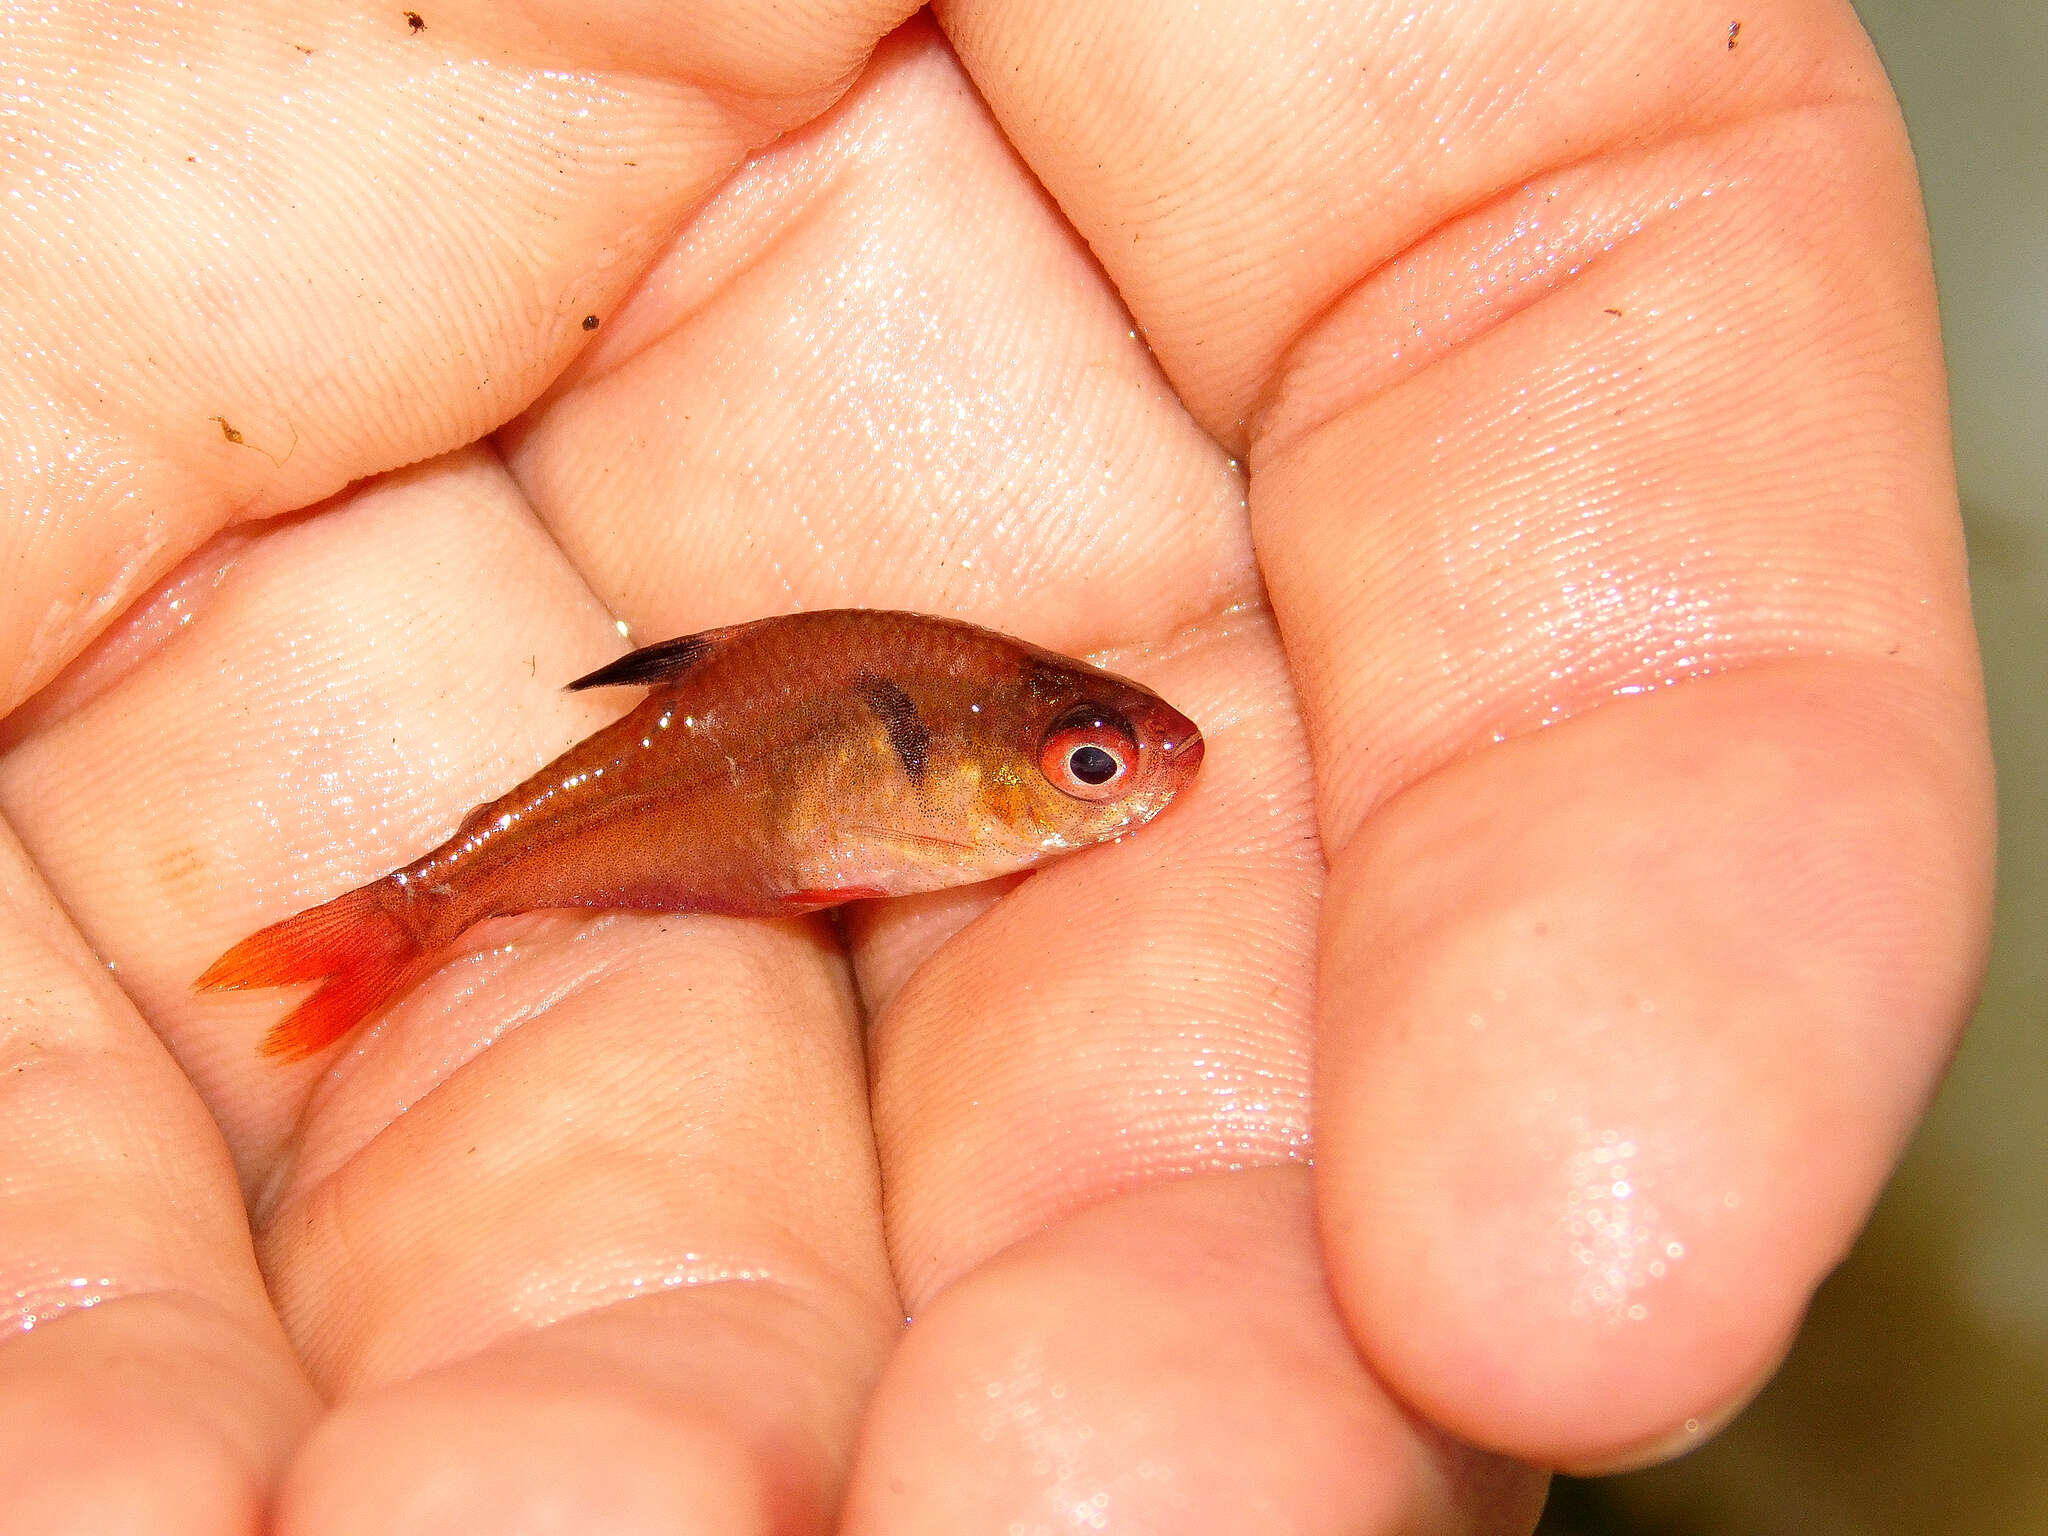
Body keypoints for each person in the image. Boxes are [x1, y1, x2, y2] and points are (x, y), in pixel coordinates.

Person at [0, 3, 1990, 1531]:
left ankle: (412, 917)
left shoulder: (935, 729)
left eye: (1104, 760)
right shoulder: (918, 750)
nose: (1133, 784)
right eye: (1100, 764)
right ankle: (406, 921)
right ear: (1008, 763)